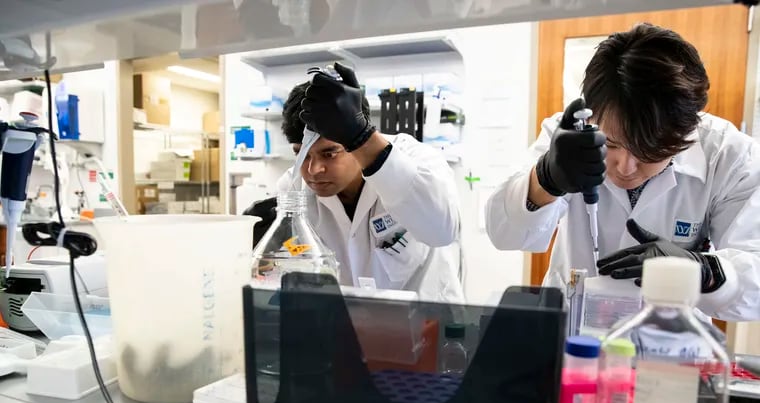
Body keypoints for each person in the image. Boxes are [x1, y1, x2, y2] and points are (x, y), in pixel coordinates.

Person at [485, 23, 760, 321]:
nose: (625, 167)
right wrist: (546, 180)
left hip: (667, 347)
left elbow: (755, 280)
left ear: (684, 133)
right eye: (612, 144)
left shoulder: (728, 155)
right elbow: (504, 233)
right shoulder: (568, 136)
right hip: (574, 340)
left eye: (647, 151)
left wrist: (701, 270)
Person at [248, 62, 463, 303]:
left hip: (430, 324)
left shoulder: (417, 160)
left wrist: (363, 139)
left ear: (354, 138)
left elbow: (441, 231)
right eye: (302, 153)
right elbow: (292, 267)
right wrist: (266, 248)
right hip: (347, 326)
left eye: (329, 153)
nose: (313, 170)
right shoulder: (293, 187)